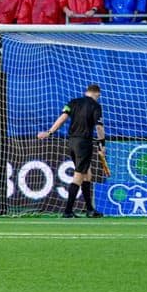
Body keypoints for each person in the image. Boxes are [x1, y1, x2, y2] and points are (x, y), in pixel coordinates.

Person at [38, 83, 105, 218]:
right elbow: (99, 127)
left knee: (87, 174)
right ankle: (68, 211)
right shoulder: (95, 106)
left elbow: (62, 118)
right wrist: (102, 145)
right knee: (79, 175)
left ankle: (90, 209)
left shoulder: (73, 102)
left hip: (72, 142)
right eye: (98, 96)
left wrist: (49, 132)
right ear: (97, 94)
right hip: (84, 143)